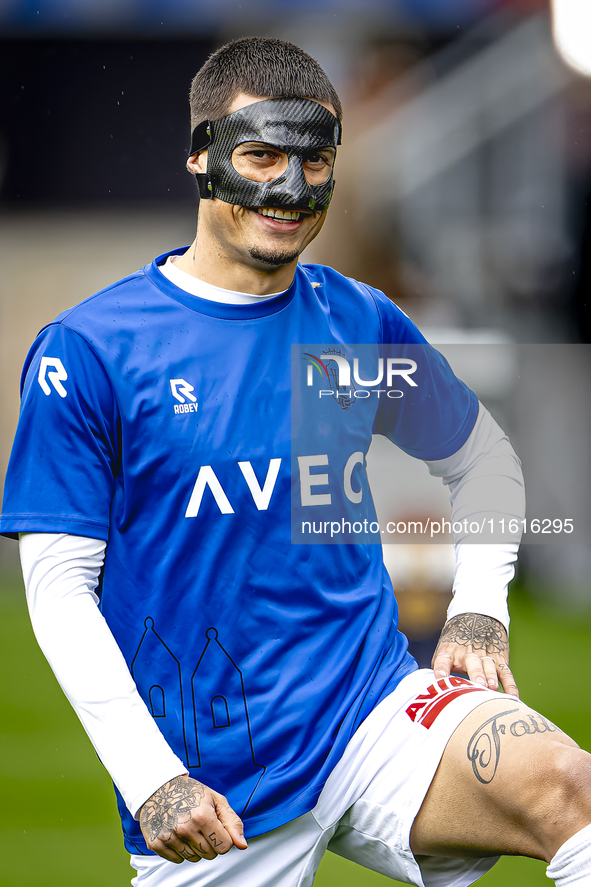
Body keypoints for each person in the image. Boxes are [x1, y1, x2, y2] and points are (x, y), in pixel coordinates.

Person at [2, 36, 591, 887]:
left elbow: (482, 456)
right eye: (260, 154)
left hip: (373, 711)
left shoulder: (357, 323)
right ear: (201, 156)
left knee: (568, 785)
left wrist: (476, 607)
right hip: (215, 788)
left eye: (314, 161)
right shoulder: (93, 350)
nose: (288, 187)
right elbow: (58, 589)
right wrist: (151, 778)